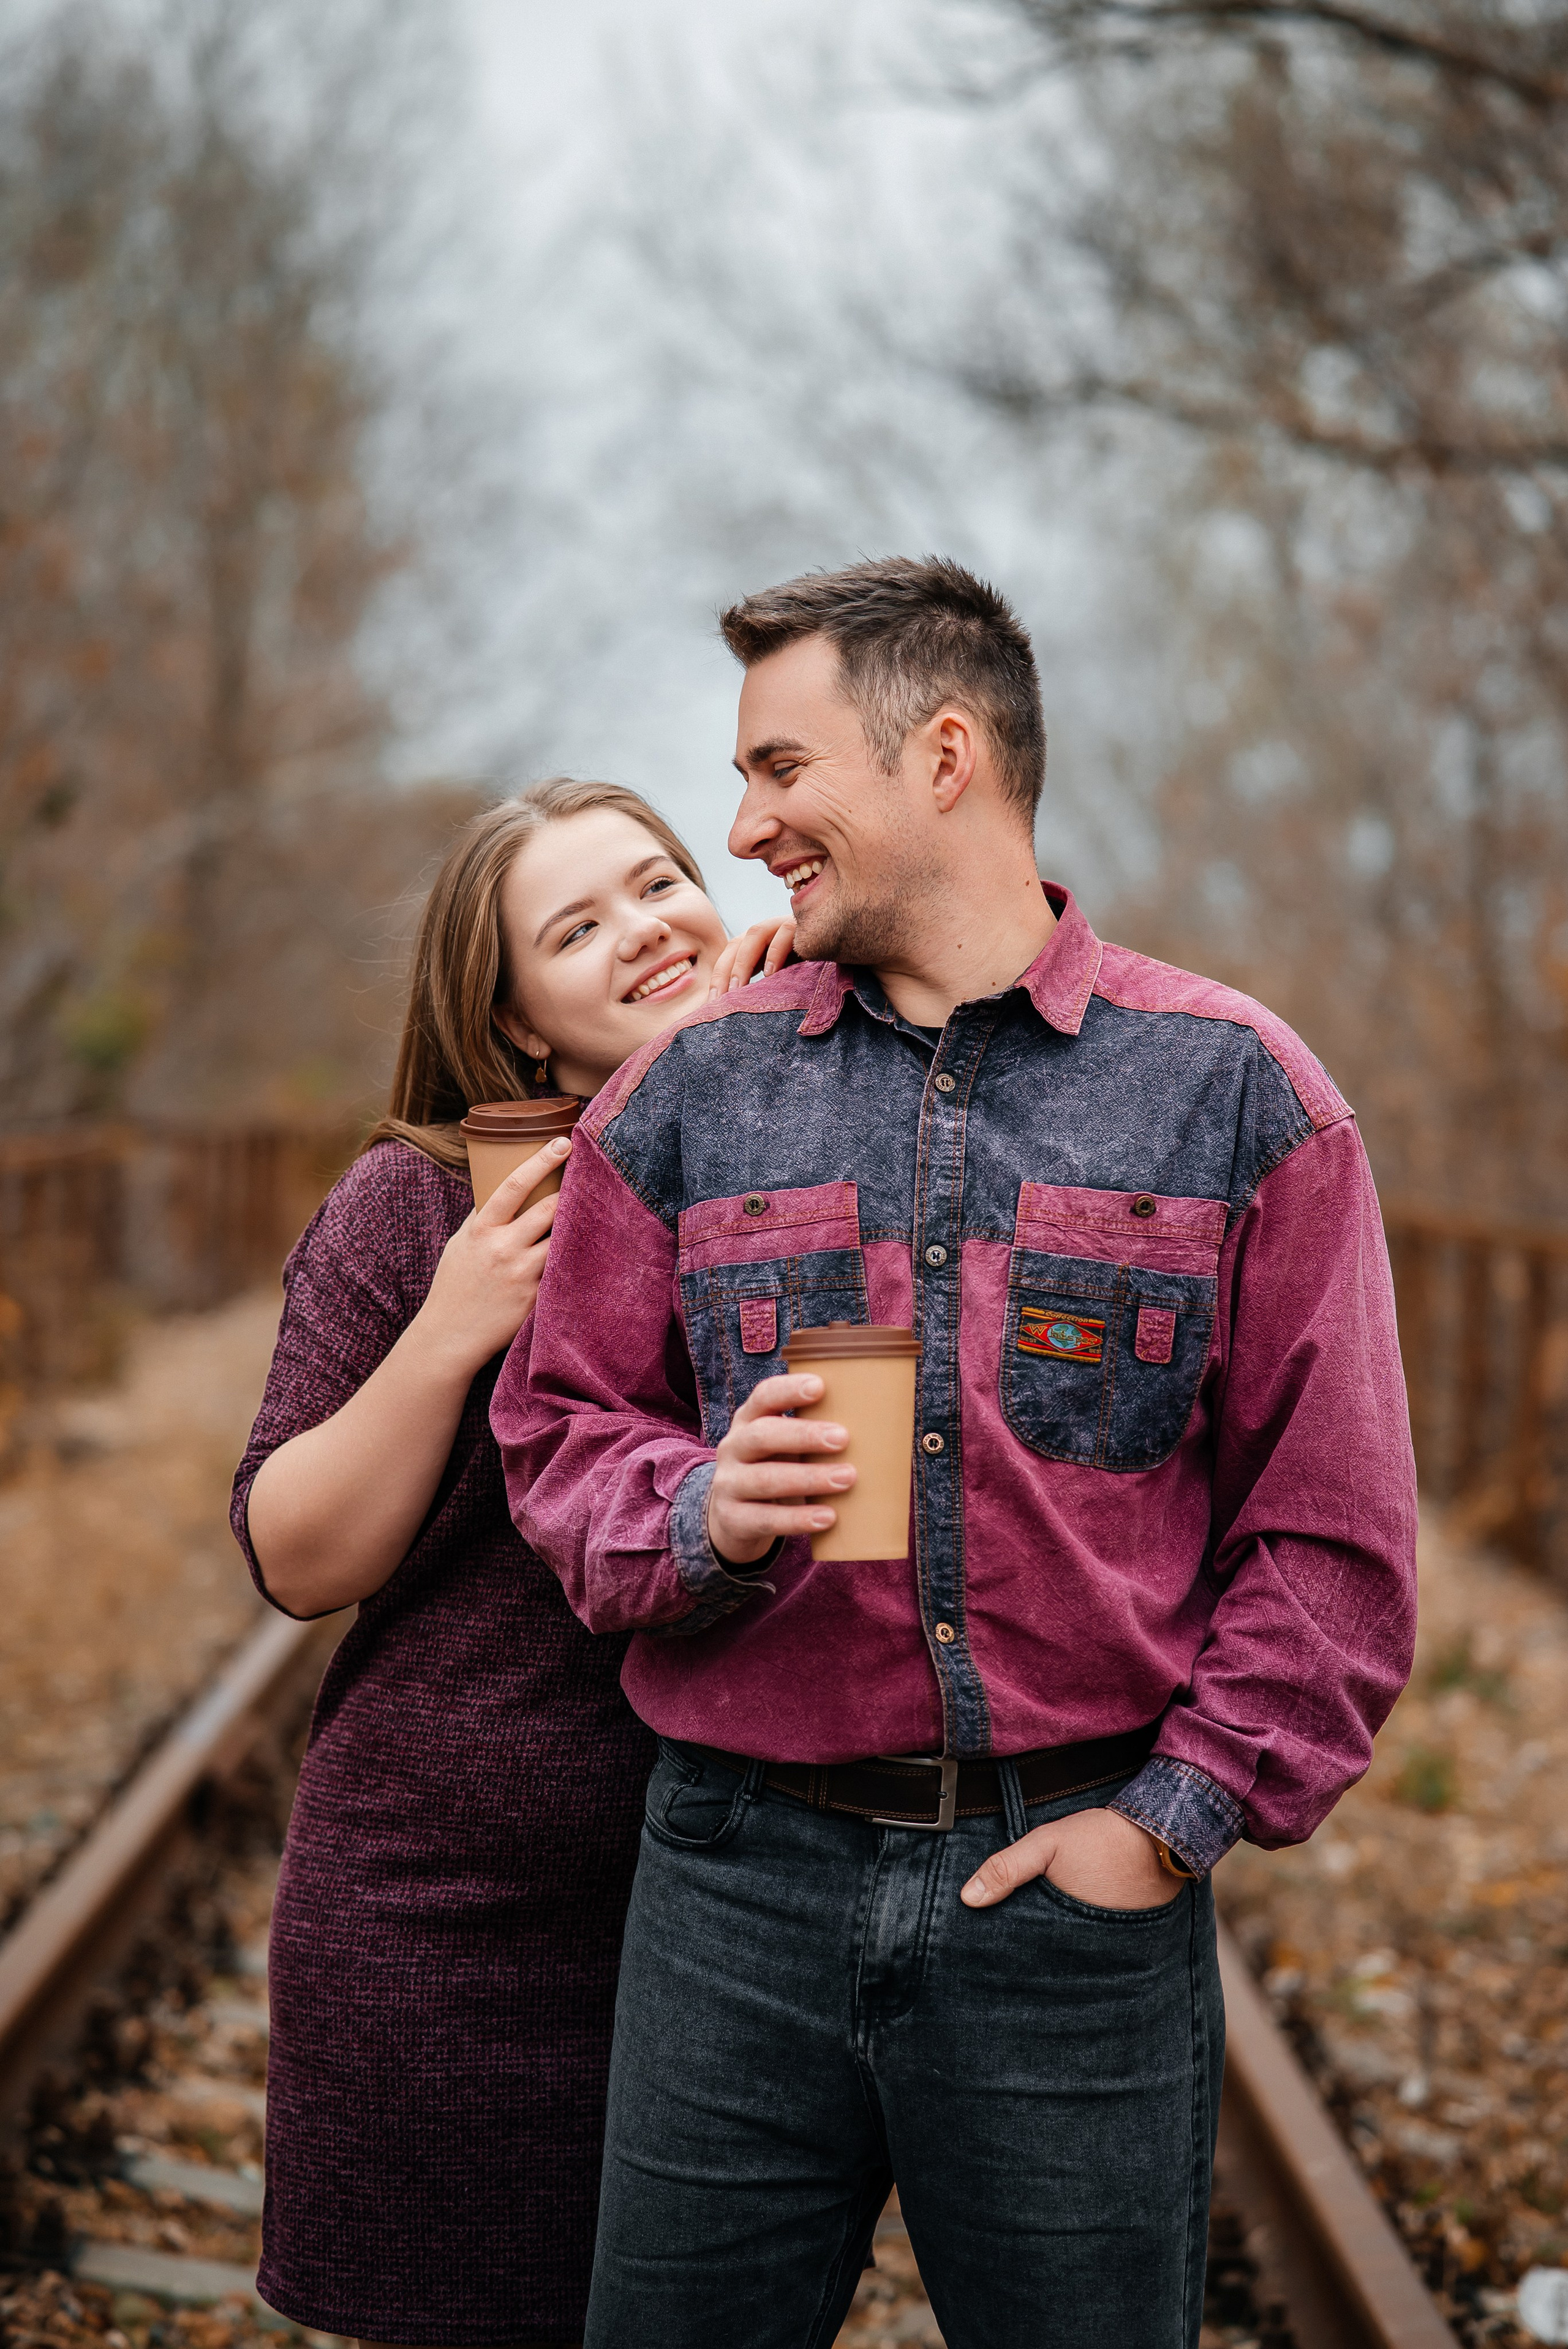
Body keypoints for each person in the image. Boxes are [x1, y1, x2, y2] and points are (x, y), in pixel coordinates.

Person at [492, 561, 1420, 2349]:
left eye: (780, 769)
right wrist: (693, 1510)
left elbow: (1332, 1535)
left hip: (1071, 1906)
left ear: (942, 755)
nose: (742, 829)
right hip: (733, 1891)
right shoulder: (685, 1095)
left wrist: (1170, 1822)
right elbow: (559, 1429)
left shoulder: (1239, 1094)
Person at [230, 777, 793, 2349]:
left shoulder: (804, 1153)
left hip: (736, 1918)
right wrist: (452, 1324)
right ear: (515, 1025)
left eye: (657, 883)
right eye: (574, 927)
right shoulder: (422, 1200)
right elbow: (293, 1553)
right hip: (442, 1925)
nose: (643, 931)